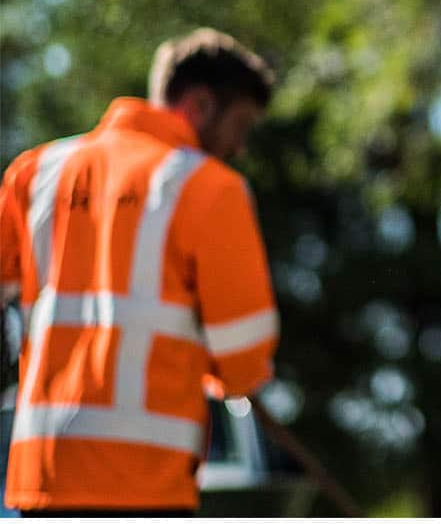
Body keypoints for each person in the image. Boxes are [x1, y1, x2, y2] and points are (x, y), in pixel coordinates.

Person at [0, 28, 280, 516]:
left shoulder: (36, 172)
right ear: (199, 106)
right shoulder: (210, 189)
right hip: (145, 485)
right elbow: (241, 358)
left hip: (41, 481)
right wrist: (232, 374)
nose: (240, 146)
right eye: (240, 125)